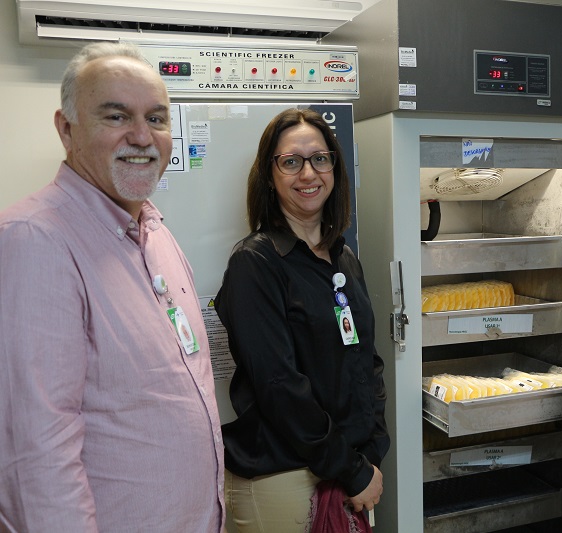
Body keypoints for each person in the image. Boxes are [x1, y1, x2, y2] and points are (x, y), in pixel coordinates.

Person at [0, 42, 225, 531]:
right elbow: (36, 456)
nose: (142, 137)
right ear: (67, 129)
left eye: (156, 119)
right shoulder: (34, 240)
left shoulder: (156, 233)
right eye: (117, 116)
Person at [215, 108, 390, 531]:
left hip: (347, 467)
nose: (308, 173)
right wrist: (351, 468)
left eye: (320, 159)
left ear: (334, 167)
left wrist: (371, 452)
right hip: (284, 476)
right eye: (291, 161)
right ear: (269, 175)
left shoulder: (343, 258)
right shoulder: (255, 263)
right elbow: (279, 386)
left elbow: (366, 361)